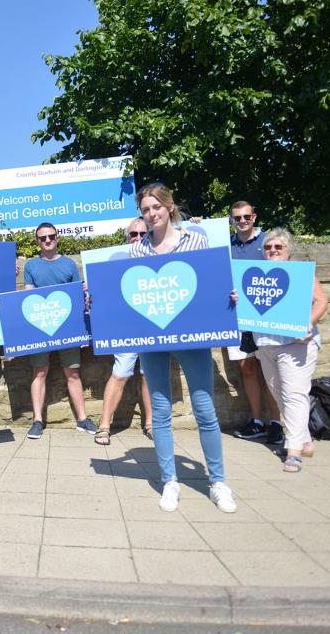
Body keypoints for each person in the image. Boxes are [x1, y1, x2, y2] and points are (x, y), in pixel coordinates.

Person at [127, 183, 236, 513]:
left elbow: (211, 282)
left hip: (192, 335)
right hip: (152, 336)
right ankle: (170, 481)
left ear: (169, 206)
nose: (151, 214)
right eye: (145, 210)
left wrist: (228, 296)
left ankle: (217, 482)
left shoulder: (195, 239)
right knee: (159, 411)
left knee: (204, 408)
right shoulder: (137, 250)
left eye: (155, 207)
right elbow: (129, 296)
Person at [254, 228, 329, 473]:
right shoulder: (255, 276)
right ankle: (304, 441)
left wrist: (309, 321)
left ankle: (293, 451)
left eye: (278, 247)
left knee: (294, 394)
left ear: (288, 251)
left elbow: (321, 300)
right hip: (266, 344)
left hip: (296, 344)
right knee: (279, 395)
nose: (273, 251)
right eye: (268, 247)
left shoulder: (299, 274)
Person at [23, 222, 95, 440]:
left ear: (57, 238)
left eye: (51, 236)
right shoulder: (30, 266)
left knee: (72, 372)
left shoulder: (70, 265)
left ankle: (82, 419)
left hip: (67, 328)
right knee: (40, 372)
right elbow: (28, 297)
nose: (47, 241)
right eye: (42, 238)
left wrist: (83, 331)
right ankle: (37, 421)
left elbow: (79, 299)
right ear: (37, 241)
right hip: (40, 326)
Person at [226, 200, 283, 445]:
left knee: (270, 369)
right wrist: (195, 225)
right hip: (237, 316)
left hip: (265, 315)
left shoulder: (267, 242)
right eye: (237, 218)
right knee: (247, 368)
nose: (242, 221)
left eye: (246, 217)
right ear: (231, 220)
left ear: (254, 217)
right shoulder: (226, 244)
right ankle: (258, 421)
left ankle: (277, 423)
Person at [95, 217, 153, 445]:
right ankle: (104, 425)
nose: (138, 238)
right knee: (120, 374)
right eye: (133, 234)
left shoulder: (156, 257)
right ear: (127, 237)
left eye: (142, 234)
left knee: (150, 375)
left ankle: (151, 424)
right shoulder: (115, 263)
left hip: (151, 327)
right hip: (125, 328)